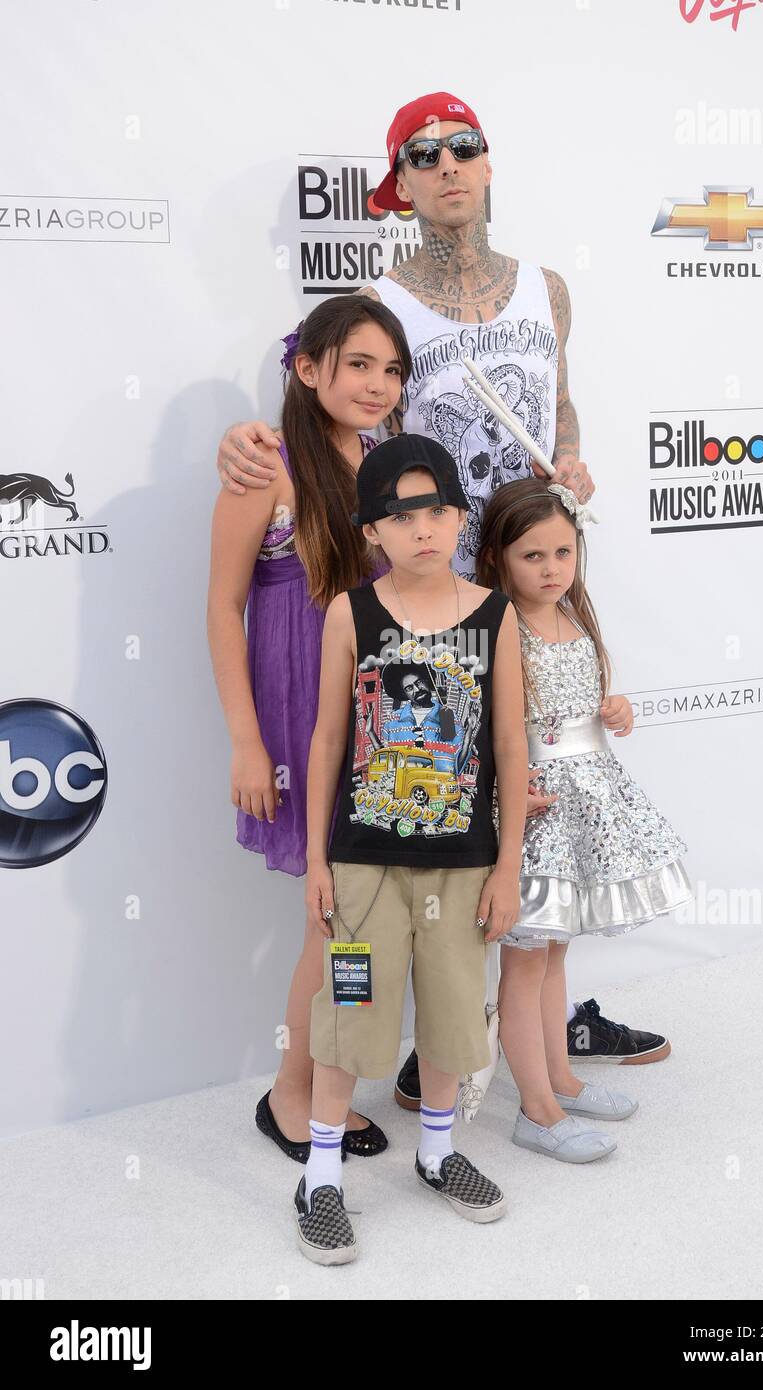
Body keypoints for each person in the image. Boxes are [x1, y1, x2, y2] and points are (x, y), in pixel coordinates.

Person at [213, 90, 671, 1086]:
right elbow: (325, 418)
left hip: (538, 584)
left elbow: (560, 403)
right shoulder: (382, 300)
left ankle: (543, 1020)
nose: (449, 164)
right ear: (400, 185)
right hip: (434, 610)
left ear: (488, 163)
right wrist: (242, 442)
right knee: (451, 829)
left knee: (550, 807)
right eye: (424, 154)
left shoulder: (545, 288)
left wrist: (571, 458)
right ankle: (442, 1051)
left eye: (465, 147)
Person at [295, 435, 528, 1263]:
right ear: (373, 532)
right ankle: (321, 1176)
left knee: (454, 1015)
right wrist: (318, 860)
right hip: (364, 863)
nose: (422, 527)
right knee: (349, 1015)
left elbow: (508, 744)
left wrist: (508, 865)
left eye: (437, 510)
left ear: (459, 517)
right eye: (402, 514)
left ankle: (436, 1152)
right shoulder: (349, 614)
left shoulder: (495, 616)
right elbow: (327, 739)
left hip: (463, 866)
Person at [207, 295, 411, 1163]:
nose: (377, 384)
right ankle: (293, 1096)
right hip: (301, 718)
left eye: (391, 369)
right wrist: (247, 742)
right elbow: (222, 609)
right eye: (358, 364)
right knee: (334, 919)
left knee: (361, 916)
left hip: (384, 717)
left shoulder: (392, 463)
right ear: (308, 367)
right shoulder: (268, 465)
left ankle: (332, 1083)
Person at [475, 477, 693, 1161]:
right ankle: (534, 1110)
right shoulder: (502, 625)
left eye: (562, 553)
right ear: (499, 560)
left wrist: (613, 709)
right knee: (524, 964)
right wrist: (506, 799)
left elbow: (583, 700)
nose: (550, 569)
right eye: (532, 556)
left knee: (556, 954)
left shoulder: (575, 615)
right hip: (536, 813)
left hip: (587, 805)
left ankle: (561, 1079)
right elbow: (490, 729)